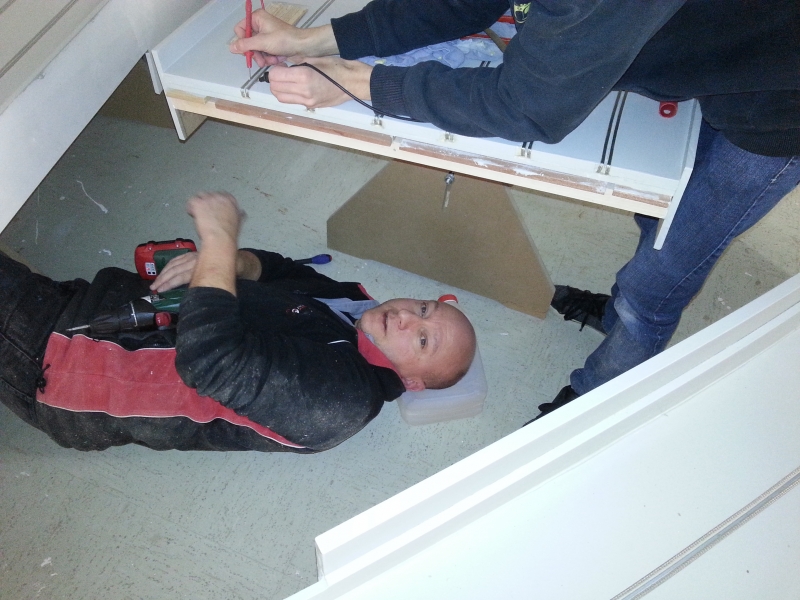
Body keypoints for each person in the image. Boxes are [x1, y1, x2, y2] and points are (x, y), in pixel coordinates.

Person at [230, 0, 800, 419]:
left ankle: (592, 401)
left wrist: (362, 83)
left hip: (778, 113)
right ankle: (617, 312)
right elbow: (456, 4)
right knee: (655, 215)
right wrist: (316, 40)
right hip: (732, 54)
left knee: (660, 277)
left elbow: (526, 107)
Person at [0, 192, 476, 452]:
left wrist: (219, 240)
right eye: (425, 309)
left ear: (412, 382)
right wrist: (229, 263)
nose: (407, 317)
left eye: (423, 340)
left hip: (68, 364)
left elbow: (209, 362)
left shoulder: (343, 400)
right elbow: (278, 270)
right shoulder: (351, 302)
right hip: (92, 306)